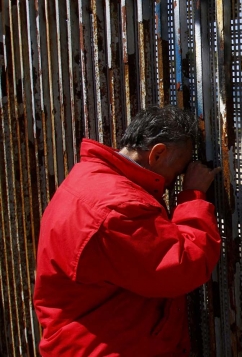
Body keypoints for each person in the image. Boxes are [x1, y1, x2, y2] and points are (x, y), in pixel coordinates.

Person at [33, 105, 222, 356]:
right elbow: (184, 266)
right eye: (176, 172)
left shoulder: (89, 178)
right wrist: (193, 197)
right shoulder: (118, 208)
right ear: (157, 154)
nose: (172, 184)